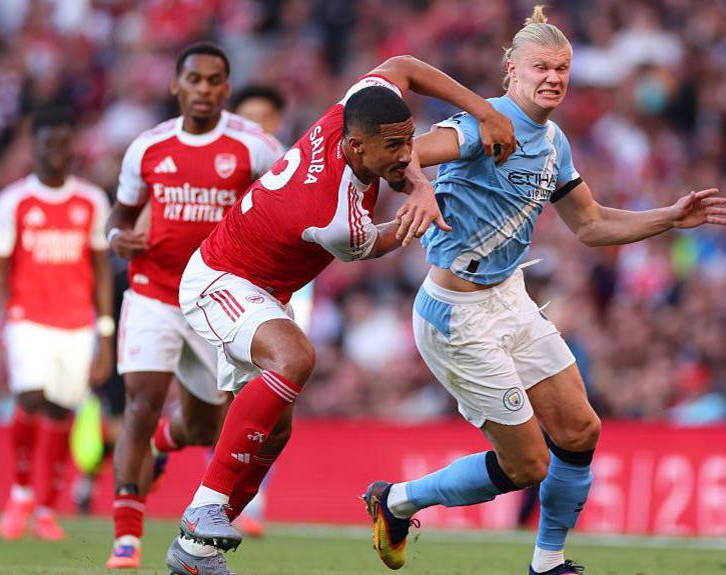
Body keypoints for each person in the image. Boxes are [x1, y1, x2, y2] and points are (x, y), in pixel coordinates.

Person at [361, 6, 726, 575]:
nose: (554, 78)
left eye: (562, 68)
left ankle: (548, 563)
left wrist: (670, 217)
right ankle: (399, 500)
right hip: (456, 315)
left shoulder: (554, 141)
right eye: (541, 67)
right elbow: (403, 151)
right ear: (510, 68)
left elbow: (591, 226)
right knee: (529, 464)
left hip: (508, 297)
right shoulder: (478, 128)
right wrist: (415, 185)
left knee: (581, 429)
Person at [166, 55, 516, 575]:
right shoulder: (333, 216)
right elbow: (372, 243)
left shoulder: (348, 113)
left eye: (408, 140)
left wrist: (481, 110)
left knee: (276, 431)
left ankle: (195, 552)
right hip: (220, 279)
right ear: (357, 147)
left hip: (265, 289)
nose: (407, 154)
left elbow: (401, 65)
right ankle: (203, 510)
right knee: (294, 358)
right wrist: (421, 209)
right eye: (394, 147)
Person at [104, 42, 284, 569]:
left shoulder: (255, 146)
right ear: (175, 85)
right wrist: (118, 236)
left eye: (214, 81)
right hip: (152, 293)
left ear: (226, 89)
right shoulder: (148, 148)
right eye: (194, 79)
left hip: (216, 299)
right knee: (140, 402)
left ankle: (168, 438)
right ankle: (127, 535)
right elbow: (120, 214)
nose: (203, 89)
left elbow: (288, 198)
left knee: (208, 426)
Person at [0, 106, 114, 542]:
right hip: (28, 319)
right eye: (47, 142)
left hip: (77, 323)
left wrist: (106, 334)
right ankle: (20, 490)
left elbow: (100, 271)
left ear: (72, 145)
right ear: (33, 145)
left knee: (61, 408)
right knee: (31, 395)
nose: (56, 151)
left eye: (63, 142)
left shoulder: (91, 201)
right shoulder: (13, 202)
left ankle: (46, 508)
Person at [228, 83, 292, 539]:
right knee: (212, 407)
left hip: (273, 290)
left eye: (264, 119)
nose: (257, 128)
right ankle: (167, 442)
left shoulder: (287, 165)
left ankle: (249, 502)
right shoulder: (223, 163)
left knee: (267, 397)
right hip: (221, 287)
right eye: (248, 119)